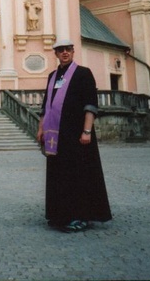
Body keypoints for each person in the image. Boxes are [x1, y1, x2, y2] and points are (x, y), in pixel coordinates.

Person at [37, 39, 112, 233]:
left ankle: (80, 215)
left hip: (76, 133)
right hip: (56, 135)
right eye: (60, 50)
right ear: (55, 53)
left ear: (73, 51)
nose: (64, 53)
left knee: (78, 174)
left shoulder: (83, 74)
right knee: (58, 174)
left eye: (67, 49)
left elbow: (90, 104)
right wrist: (41, 129)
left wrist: (87, 131)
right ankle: (59, 213)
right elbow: (46, 105)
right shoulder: (53, 76)